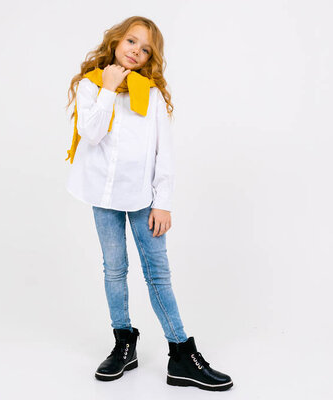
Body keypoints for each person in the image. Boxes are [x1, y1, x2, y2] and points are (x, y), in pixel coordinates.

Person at [63, 16, 233, 391]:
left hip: (143, 197)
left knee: (157, 273)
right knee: (114, 269)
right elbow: (90, 134)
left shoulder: (152, 94)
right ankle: (124, 343)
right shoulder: (91, 85)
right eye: (131, 41)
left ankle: (181, 354)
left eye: (145, 49)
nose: (136, 51)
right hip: (102, 196)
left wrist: (164, 202)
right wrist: (109, 88)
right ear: (116, 40)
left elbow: (163, 152)